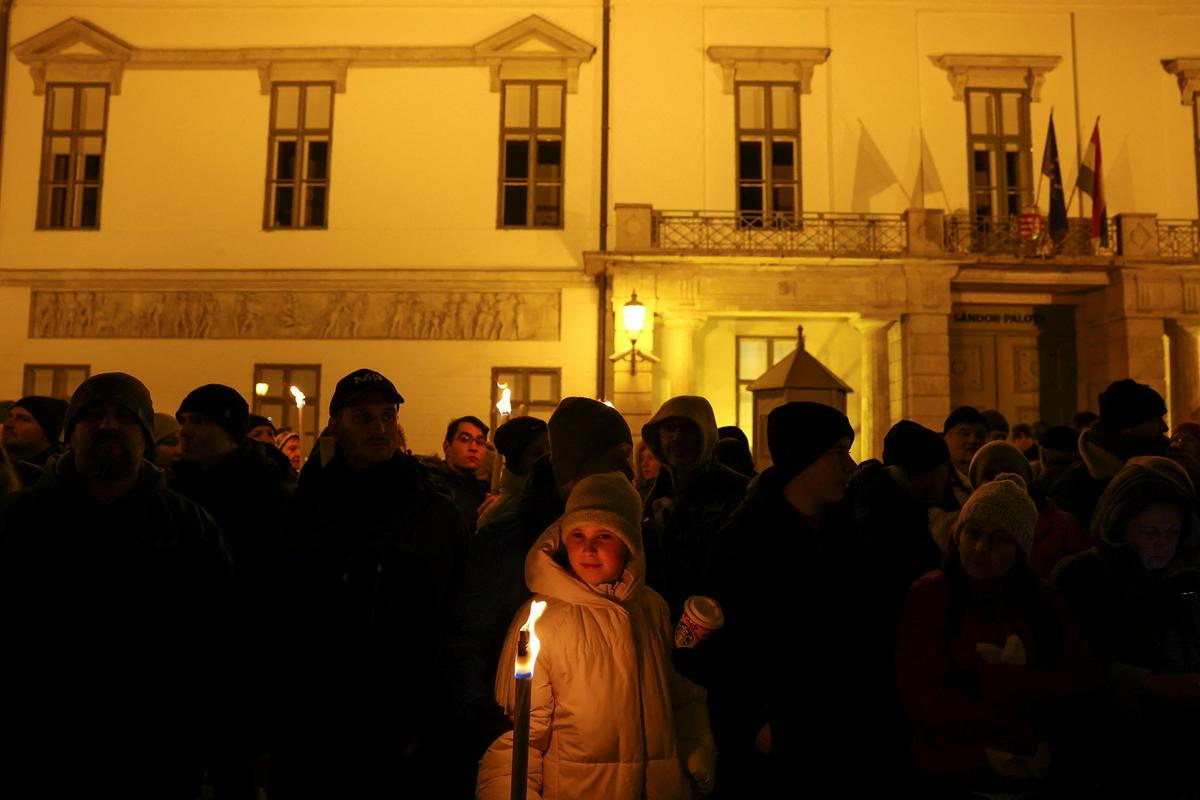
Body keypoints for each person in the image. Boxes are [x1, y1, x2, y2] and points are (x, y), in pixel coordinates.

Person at [0, 373, 234, 798]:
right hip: (39, 747)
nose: (108, 425)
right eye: (92, 415)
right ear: (70, 433)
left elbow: (220, 637)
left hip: (156, 750)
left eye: (123, 416)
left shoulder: (188, 525)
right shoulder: (19, 519)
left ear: (145, 434)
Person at [273, 368, 465, 799]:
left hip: (402, 718)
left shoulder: (432, 509)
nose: (379, 427)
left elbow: (452, 615)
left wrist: (433, 714)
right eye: (363, 417)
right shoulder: (304, 508)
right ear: (336, 425)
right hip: (316, 718)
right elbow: (279, 614)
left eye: (387, 415)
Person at [476, 473, 716, 800]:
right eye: (577, 534)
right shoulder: (542, 618)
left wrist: (696, 752)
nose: (588, 548)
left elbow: (680, 698)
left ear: (630, 543)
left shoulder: (652, 608)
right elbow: (518, 734)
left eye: (604, 535)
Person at [443, 397, 634, 773]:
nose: (629, 472)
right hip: (523, 746)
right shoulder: (510, 542)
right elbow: (466, 642)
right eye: (617, 459)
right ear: (579, 466)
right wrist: (490, 725)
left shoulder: (632, 541)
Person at [705, 402, 875, 794]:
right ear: (803, 458)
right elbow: (715, 649)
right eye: (837, 453)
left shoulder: (848, 531)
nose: (851, 466)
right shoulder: (743, 540)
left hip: (841, 738)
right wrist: (752, 724)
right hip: (772, 748)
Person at [897, 475, 1100, 794]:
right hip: (953, 772)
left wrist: (993, 681)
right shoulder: (932, 596)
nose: (981, 547)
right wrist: (1007, 736)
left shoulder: (1046, 603)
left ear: (1019, 549)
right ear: (958, 536)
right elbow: (924, 695)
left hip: (1035, 772)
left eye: (999, 538)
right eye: (973, 533)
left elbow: (1080, 679)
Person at [1052, 458, 1200, 797]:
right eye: (1149, 533)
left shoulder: (1186, 578)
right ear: (1119, 526)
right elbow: (1073, 672)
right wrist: (1148, 684)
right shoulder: (1084, 578)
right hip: (1115, 754)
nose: (1162, 544)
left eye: (1172, 532)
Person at [640, 396, 750, 621]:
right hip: (658, 618)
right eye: (669, 429)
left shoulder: (739, 492)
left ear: (705, 433)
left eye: (687, 429)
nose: (677, 438)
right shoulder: (647, 494)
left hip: (716, 620)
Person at [1050, 379, 1170, 529]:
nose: (1165, 428)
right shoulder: (1076, 486)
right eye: (1156, 420)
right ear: (1127, 426)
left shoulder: (1167, 463)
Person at [969, 441, 1094, 579]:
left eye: (1011, 473)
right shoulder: (963, 528)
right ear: (976, 484)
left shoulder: (1063, 527)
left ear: (1026, 480)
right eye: (989, 475)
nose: (1001, 480)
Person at [477, 415, 549, 530]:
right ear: (517, 464)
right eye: (536, 454)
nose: (548, 458)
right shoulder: (506, 511)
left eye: (550, 449)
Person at [430, 415, 491, 532]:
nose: (473, 448)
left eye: (480, 442)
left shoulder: (483, 490)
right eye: (464, 439)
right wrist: (478, 520)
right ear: (447, 447)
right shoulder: (433, 486)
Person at [1, 394, 67, 467]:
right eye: (9, 416)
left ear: (46, 433)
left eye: (24, 419)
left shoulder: (59, 471)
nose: (8, 424)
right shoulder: (4, 463)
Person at [942, 406, 988, 509]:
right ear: (946, 440)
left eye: (980, 434)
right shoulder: (938, 483)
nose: (973, 440)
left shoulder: (995, 479)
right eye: (965, 434)